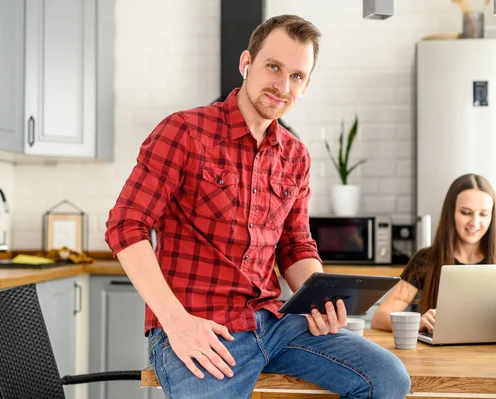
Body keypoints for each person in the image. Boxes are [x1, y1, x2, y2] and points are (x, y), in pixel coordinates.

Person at [105, 14, 410, 399]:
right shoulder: (184, 132)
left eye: (297, 76)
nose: (283, 86)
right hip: (200, 325)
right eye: (273, 67)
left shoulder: (296, 156)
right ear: (246, 63)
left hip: (275, 323)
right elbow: (125, 225)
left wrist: (320, 297)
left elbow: (295, 245)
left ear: (307, 85)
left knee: (387, 379)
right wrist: (176, 322)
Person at [371, 173, 496, 332]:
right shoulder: (425, 260)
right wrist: (417, 324)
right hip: (439, 354)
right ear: (451, 213)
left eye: (484, 214)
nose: (475, 223)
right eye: (466, 212)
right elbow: (380, 317)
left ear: (493, 216)